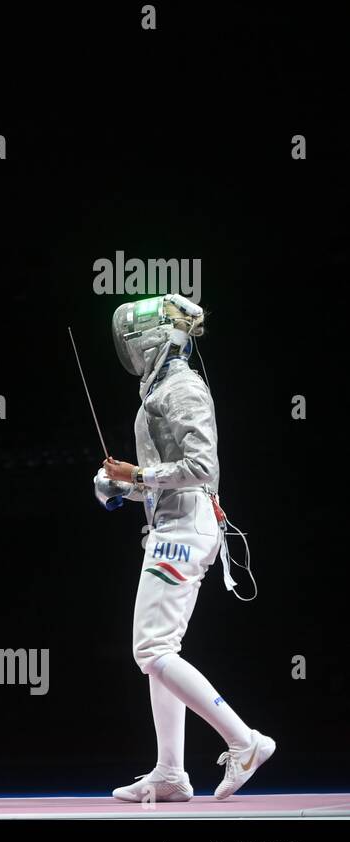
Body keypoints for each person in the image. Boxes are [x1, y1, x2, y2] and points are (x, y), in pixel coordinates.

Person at [94, 295, 274, 802]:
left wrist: (138, 475)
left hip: (182, 531)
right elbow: (164, 481)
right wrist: (119, 488)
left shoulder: (182, 389)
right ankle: (170, 773)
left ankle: (245, 742)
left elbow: (202, 470)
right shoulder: (163, 389)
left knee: (150, 650)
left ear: (151, 339)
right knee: (160, 651)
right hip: (170, 526)